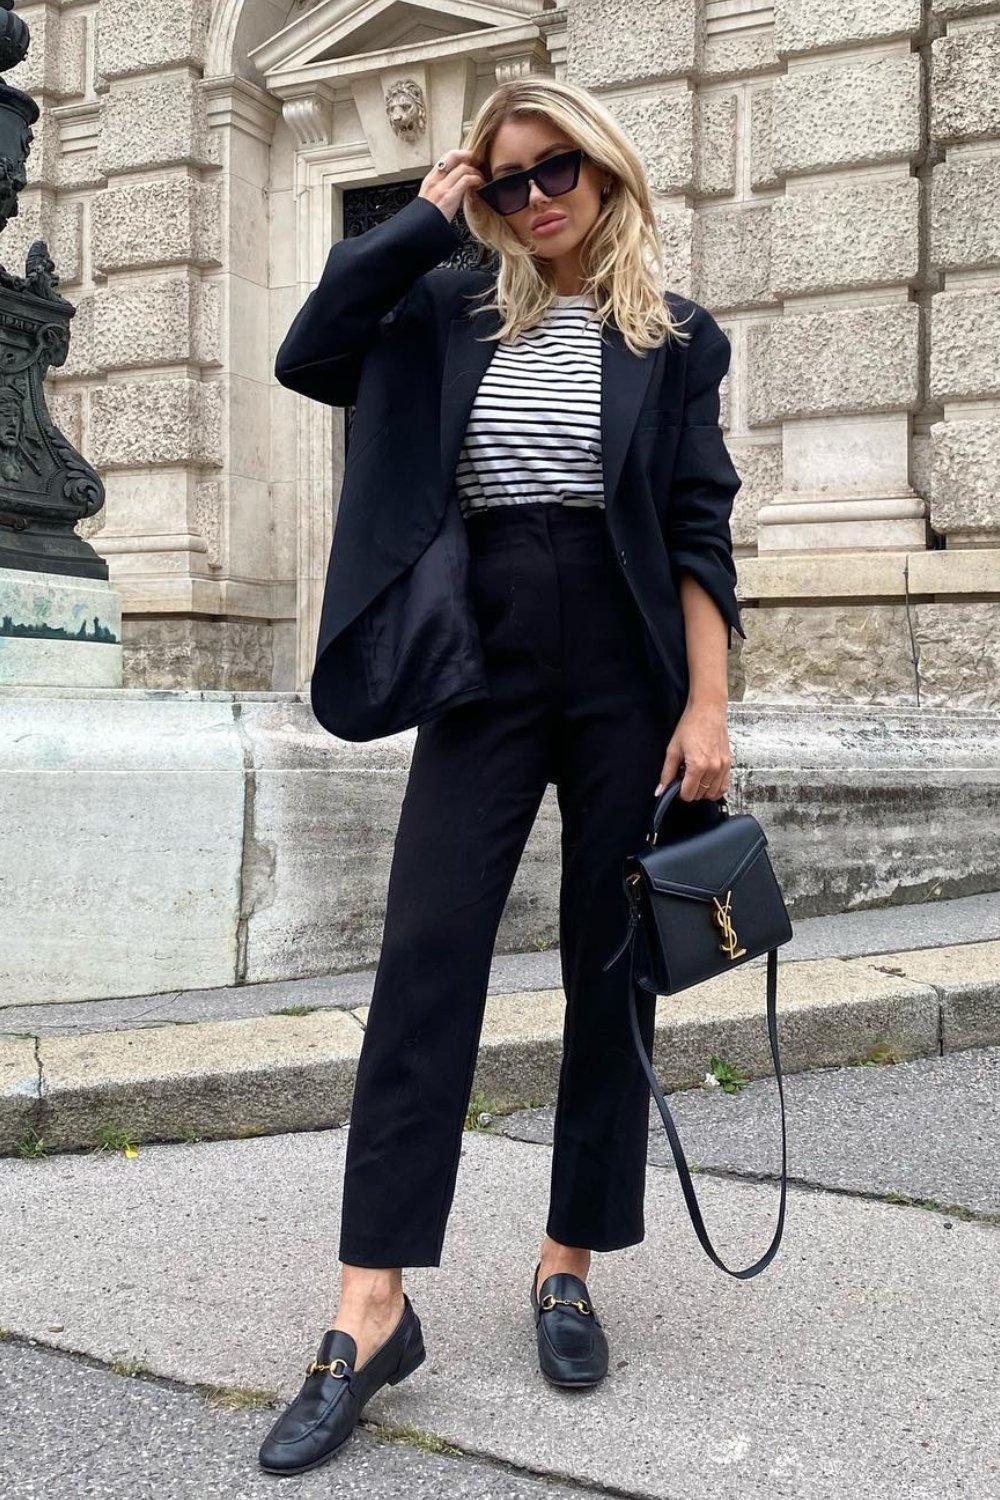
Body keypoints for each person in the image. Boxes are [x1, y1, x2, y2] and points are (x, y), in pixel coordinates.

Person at [259, 74, 743, 1477]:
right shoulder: (447, 308)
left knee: (612, 968)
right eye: (508, 178)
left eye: (556, 175)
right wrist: (425, 214)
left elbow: (702, 530)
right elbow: (310, 348)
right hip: (485, 656)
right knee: (425, 960)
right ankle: (369, 1312)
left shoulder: (677, 337)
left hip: (624, 657)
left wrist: (708, 708)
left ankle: (567, 1263)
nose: (533, 201)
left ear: (608, 177)